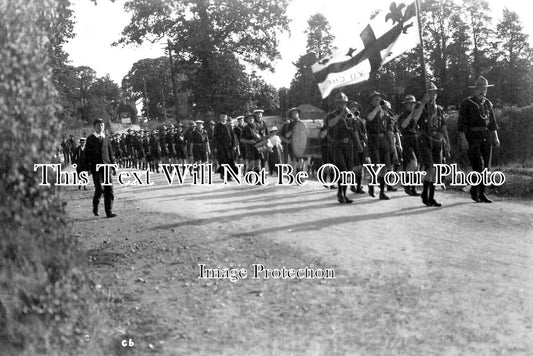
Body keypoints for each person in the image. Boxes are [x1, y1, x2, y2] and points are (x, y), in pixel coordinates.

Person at [458, 76, 500, 203]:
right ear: (476, 89)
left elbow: (492, 123)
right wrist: (464, 140)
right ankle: (477, 192)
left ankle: (479, 192)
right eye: (481, 87)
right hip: (472, 137)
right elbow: (461, 125)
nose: (484, 90)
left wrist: (495, 137)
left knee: (485, 166)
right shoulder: (467, 103)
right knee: (478, 166)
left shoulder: (487, 104)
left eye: (485, 88)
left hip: (486, 137)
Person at [412, 82, 451, 207]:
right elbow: (414, 118)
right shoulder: (420, 106)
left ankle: (431, 196)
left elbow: (443, 126)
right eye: (430, 92)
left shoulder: (438, 109)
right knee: (431, 168)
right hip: (425, 139)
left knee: (437, 170)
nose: (433, 95)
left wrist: (447, 142)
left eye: (435, 92)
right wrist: (423, 103)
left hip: (437, 140)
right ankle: (425, 194)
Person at [325, 92, 354, 204]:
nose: (341, 105)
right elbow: (330, 124)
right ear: (336, 103)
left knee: (348, 171)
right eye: (339, 103)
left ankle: (344, 194)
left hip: (348, 146)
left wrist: (353, 119)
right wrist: (341, 115)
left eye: (343, 103)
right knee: (342, 170)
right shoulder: (330, 115)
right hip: (336, 146)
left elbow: (353, 129)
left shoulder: (349, 115)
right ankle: (339, 193)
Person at [85, 118, 116, 218]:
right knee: (99, 188)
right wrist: (89, 168)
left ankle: (109, 211)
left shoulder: (106, 138)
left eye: (102, 125)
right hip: (96, 168)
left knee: (109, 189)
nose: (100, 127)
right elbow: (87, 155)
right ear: (94, 127)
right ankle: (95, 206)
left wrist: (113, 165)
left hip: (107, 167)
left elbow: (110, 153)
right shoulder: (90, 139)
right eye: (98, 125)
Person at [365, 91, 394, 200]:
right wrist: (377, 108)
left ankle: (382, 191)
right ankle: (371, 185)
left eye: (380, 99)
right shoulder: (369, 110)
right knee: (376, 165)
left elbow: (388, 128)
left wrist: (391, 144)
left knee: (385, 166)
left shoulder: (384, 112)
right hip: (373, 139)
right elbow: (369, 118)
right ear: (372, 101)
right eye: (376, 99)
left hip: (384, 140)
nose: (379, 101)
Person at [398, 95, 421, 196]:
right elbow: (403, 125)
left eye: (413, 103)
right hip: (407, 140)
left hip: (417, 139)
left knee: (417, 167)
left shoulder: (416, 114)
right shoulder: (403, 116)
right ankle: (407, 185)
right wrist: (411, 114)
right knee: (413, 163)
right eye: (409, 103)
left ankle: (413, 188)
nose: (411, 105)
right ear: (405, 105)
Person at [347, 101, 366, 194]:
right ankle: (357, 186)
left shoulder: (358, 119)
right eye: (353, 108)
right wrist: (359, 144)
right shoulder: (353, 120)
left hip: (360, 143)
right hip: (355, 144)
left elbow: (363, 133)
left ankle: (355, 184)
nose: (355, 110)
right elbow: (355, 133)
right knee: (357, 165)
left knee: (358, 165)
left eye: (356, 108)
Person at [213, 112, 238, 179]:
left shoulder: (229, 126)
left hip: (229, 147)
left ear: (226, 117)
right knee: (223, 161)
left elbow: (233, 136)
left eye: (225, 116)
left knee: (231, 160)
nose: (224, 118)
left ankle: (230, 175)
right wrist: (215, 147)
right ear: (220, 117)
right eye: (222, 116)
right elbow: (215, 137)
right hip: (221, 147)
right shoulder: (217, 126)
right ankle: (223, 174)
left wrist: (234, 145)